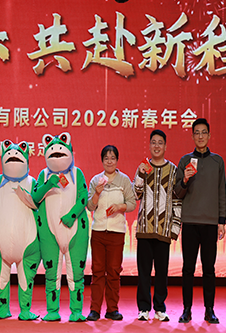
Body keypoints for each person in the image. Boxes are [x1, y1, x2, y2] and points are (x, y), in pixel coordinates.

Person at [175, 118, 226, 324]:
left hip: (210, 223)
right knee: (188, 268)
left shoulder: (217, 161)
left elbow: (221, 192)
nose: (200, 136)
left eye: (204, 132)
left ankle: (209, 310)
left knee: (209, 269)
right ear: (192, 136)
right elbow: (177, 192)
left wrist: (221, 220)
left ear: (209, 135)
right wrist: (185, 179)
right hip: (189, 221)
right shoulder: (185, 160)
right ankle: (186, 310)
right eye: (196, 132)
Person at [133, 130, 181, 322]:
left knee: (162, 272)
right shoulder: (143, 167)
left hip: (163, 229)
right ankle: (143, 308)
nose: (157, 146)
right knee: (143, 272)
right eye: (153, 142)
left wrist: (175, 228)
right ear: (149, 145)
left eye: (160, 143)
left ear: (165, 146)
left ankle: (160, 308)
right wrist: (140, 175)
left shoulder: (173, 170)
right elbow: (136, 194)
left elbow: (177, 200)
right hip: (144, 229)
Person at [86, 145, 136, 321]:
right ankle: (95, 310)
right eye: (106, 158)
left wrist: (120, 206)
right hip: (98, 232)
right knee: (97, 271)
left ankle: (112, 309)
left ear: (117, 160)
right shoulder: (96, 180)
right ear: (102, 161)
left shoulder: (124, 180)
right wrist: (97, 193)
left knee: (114, 272)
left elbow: (132, 203)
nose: (109, 161)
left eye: (112, 158)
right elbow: (90, 206)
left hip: (116, 232)